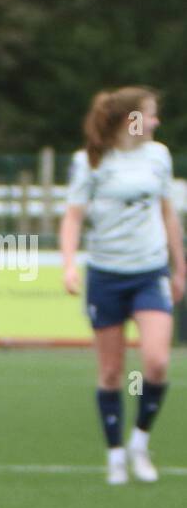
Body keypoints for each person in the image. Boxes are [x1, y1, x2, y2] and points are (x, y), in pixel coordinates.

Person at [60, 86, 185, 484]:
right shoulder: (91, 162)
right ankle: (115, 453)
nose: (155, 122)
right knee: (112, 371)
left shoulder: (158, 156)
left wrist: (178, 266)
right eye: (149, 114)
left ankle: (140, 443)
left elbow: (168, 213)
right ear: (129, 118)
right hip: (106, 275)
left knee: (157, 361)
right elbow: (73, 217)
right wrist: (68, 265)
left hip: (149, 273)